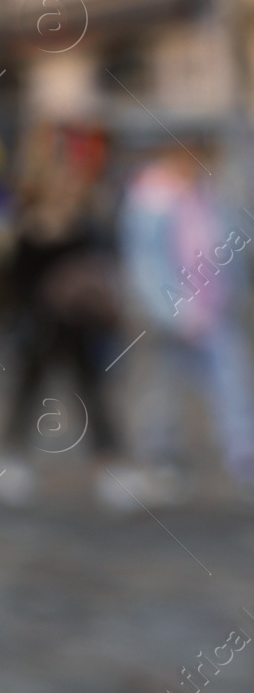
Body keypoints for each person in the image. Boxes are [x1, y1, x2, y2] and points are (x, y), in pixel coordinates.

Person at [0, 130, 139, 509]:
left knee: (92, 397)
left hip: (79, 327)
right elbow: (11, 282)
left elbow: (103, 270)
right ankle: (11, 461)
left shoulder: (88, 226)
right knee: (27, 393)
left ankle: (110, 469)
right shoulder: (27, 230)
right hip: (38, 327)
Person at [119, 140, 254, 501]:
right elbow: (146, 263)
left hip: (213, 310)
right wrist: (173, 309)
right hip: (168, 314)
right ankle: (161, 458)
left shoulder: (208, 195)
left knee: (232, 383)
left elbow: (229, 246)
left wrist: (226, 297)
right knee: (161, 391)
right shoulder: (151, 199)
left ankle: (242, 455)